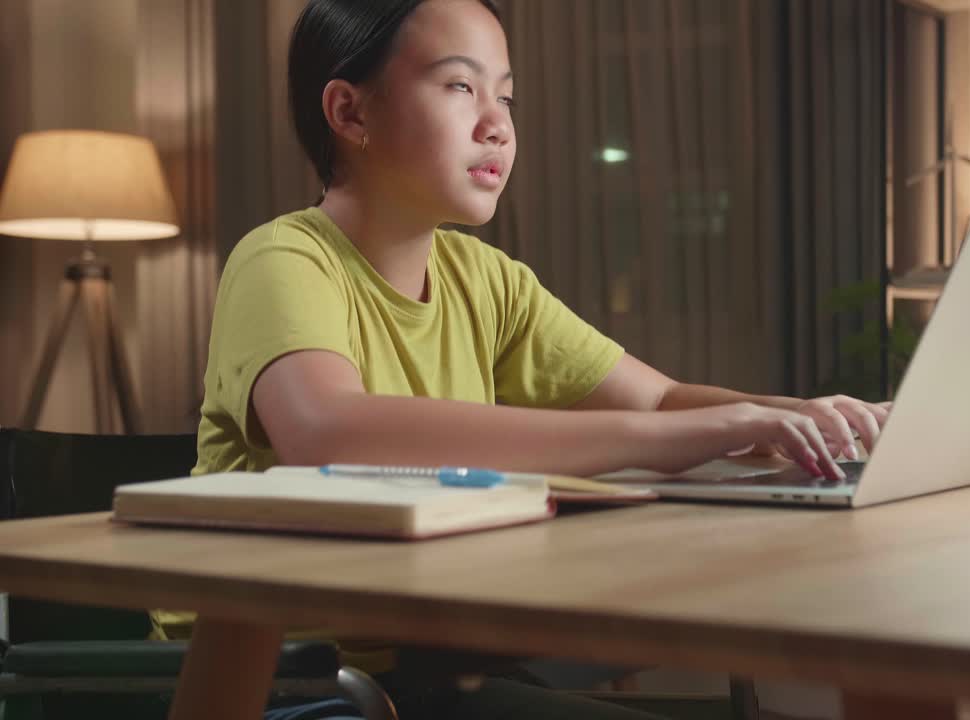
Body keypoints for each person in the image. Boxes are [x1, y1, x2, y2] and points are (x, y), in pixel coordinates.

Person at [185, 0, 892, 716]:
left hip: (432, 663)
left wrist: (810, 418)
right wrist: (677, 438)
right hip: (287, 685)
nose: (498, 123)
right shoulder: (283, 259)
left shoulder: (486, 279)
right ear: (350, 112)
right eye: (461, 86)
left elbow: (654, 399)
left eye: (507, 95)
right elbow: (327, 434)